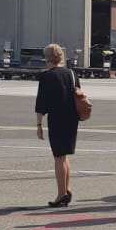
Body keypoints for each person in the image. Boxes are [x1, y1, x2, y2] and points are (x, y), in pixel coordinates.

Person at [34, 43, 81, 207]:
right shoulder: (71, 73)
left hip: (57, 119)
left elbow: (41, 103)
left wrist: (39, 125)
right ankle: (66, 189)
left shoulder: (47, 76)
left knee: (58, 157)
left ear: (48, 59)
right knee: (64, 156)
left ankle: (61, 194)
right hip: (72, 119)